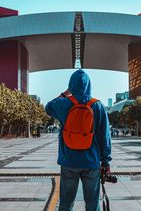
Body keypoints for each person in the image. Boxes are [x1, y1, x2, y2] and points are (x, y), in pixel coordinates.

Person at [45, 69, 112, 211]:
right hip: (91, 162)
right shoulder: (98, 106)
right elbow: (104, 136)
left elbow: (48, 107)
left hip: (68, 161)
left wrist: (65, 94)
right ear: (89, 85)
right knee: (93, 204)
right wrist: (105, 161)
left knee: (66, 203)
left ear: (71, 85)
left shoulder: (63, 104)